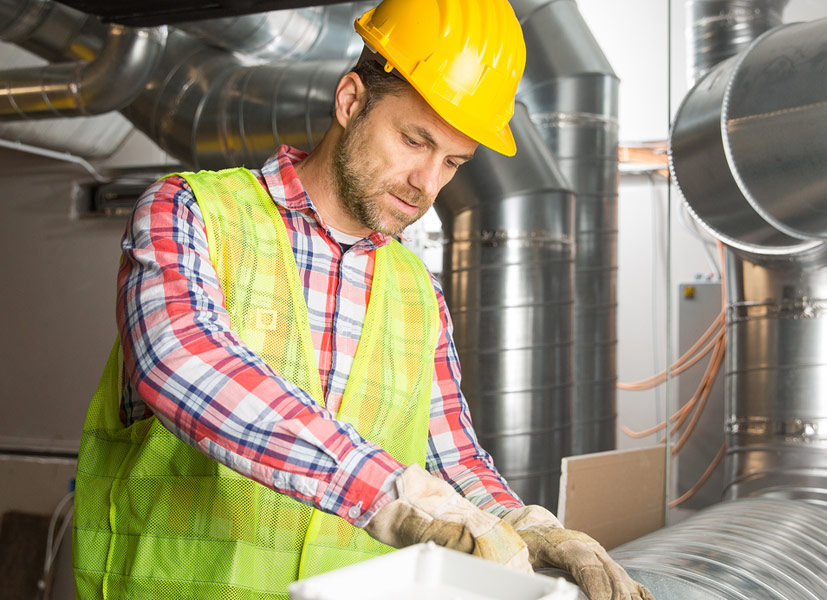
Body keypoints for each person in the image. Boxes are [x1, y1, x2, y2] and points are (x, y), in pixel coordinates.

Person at [71, 1, 652, 598]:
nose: (426, 183)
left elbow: (451, 460)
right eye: (414, 140)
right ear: (351, 101)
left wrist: (524, 525)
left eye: (452, 162)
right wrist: (392, 493)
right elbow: (183, 362)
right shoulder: (188, 212)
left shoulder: (417, 291)